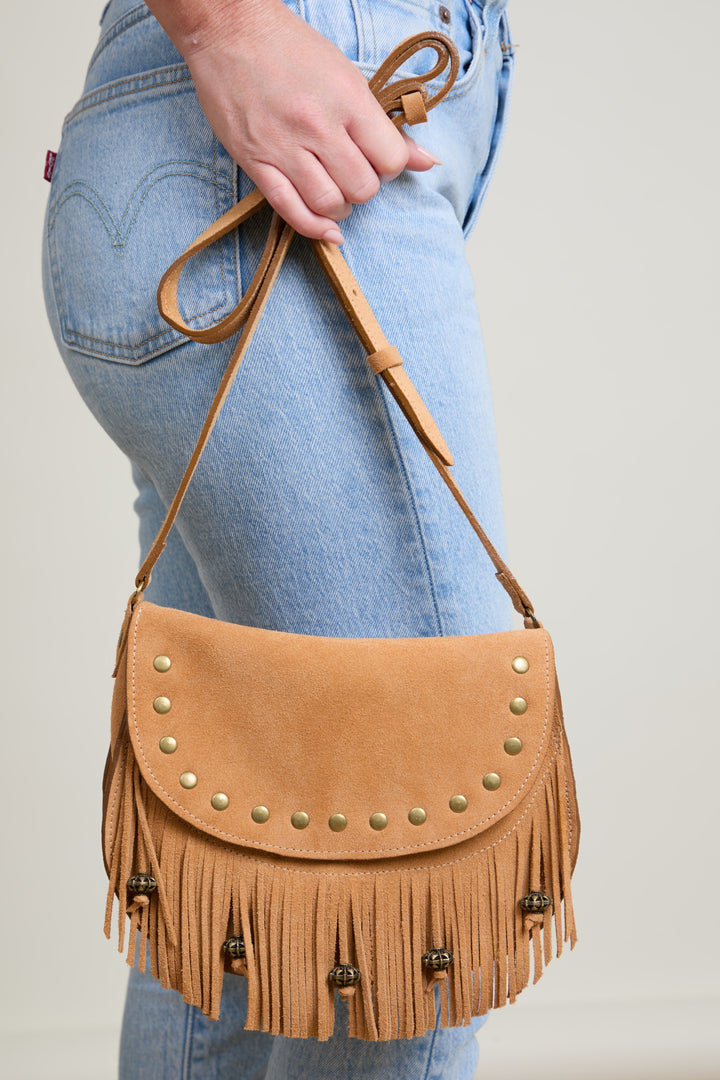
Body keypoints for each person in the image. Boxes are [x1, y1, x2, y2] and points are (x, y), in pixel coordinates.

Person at [42, 0, 516, 1075]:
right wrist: (227, 26)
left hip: (260, 141)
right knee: (414, 894)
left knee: (244, 890)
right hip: (277, 134)